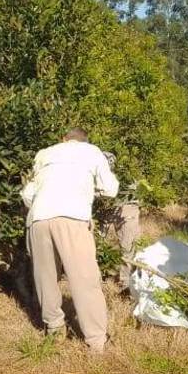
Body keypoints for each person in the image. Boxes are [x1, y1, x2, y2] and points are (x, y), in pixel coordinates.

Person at [21, 128, 119, 353]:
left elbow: (27, 194)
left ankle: (55, 329)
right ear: (85, 140)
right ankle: (96, 340)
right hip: (73, 217)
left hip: (38, 218)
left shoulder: (44, 153)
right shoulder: (93, 152)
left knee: (45, 278)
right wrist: (87, 192)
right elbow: (111, 189)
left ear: (63, 139)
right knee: (84, 278)